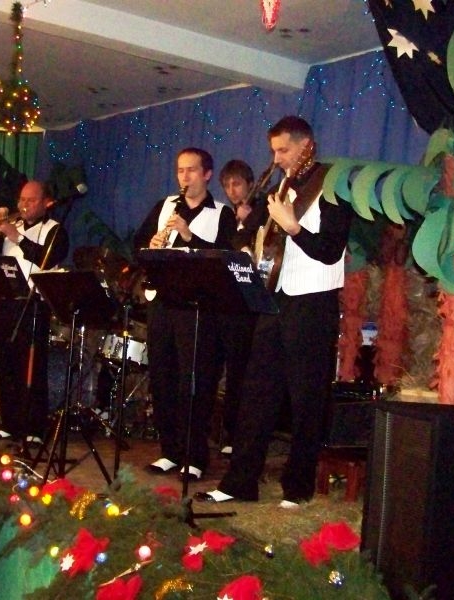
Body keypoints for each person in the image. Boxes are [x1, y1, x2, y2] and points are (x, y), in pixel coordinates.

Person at [196, 116, 353, 507]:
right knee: (256, 394)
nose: (277, 158)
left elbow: (330, 249)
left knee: (306, 399)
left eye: (283, 150)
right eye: (274, 151)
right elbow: (257, 240)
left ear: (306, 145)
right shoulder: (280, 188)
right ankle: (240, 483)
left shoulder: (334, 185)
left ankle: (298, 488)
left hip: (313, 300)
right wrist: (249, 238)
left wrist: (294, 227)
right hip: (275, 298)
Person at [133, 147, 236, 481]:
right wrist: (151, 246)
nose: (184, 177)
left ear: (207, 175)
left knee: (195, 381)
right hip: (162, 302)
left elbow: (225, 258)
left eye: (191, 170)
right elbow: (137, 248)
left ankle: (194, 456)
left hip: (198, 308)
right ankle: (170, 451)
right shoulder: (164, 206)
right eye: (180, 170)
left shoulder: (222, 214)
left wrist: (190, 235)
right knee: (162, 378)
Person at [0, 180, 69, 441]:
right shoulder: (11, 226)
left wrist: (15, 237)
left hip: (35, 304)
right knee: (6, 363)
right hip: (7, 301)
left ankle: (33, 428)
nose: (24, 205)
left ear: (46, 203)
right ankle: (9, 423)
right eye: (22, 199)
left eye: (31, 200)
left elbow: (47, 259)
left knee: (30, 366)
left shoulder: (55, 230)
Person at [213, 160, 269, 455]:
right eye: (227, 185)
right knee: (228, 370)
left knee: (243, 372)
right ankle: (227, 433)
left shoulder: (261, 209)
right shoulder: (228, 215)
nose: (232, 190)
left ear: (249, 183)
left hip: (251, 303)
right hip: (229, 301)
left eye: (237, 184)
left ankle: (239, 437)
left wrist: (247, 223)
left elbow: (256, 250)